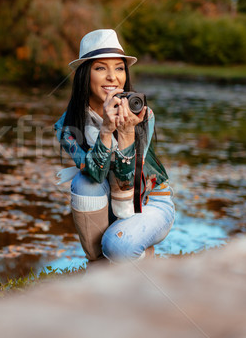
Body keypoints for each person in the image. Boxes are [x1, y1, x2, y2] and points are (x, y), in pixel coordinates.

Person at [54, 29, 175, 263]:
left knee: (118, 245)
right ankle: (98, 262)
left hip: (148, 201)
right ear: (84, 76)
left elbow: (129, 189)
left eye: (119, 68)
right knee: (83, 181)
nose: (113, 77)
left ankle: (129, 253)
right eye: (101, 68)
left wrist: (127, 132)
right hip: (106, 200)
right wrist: (107, 131)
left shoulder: (142, 115)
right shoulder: (68, 126)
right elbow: (95, 174)